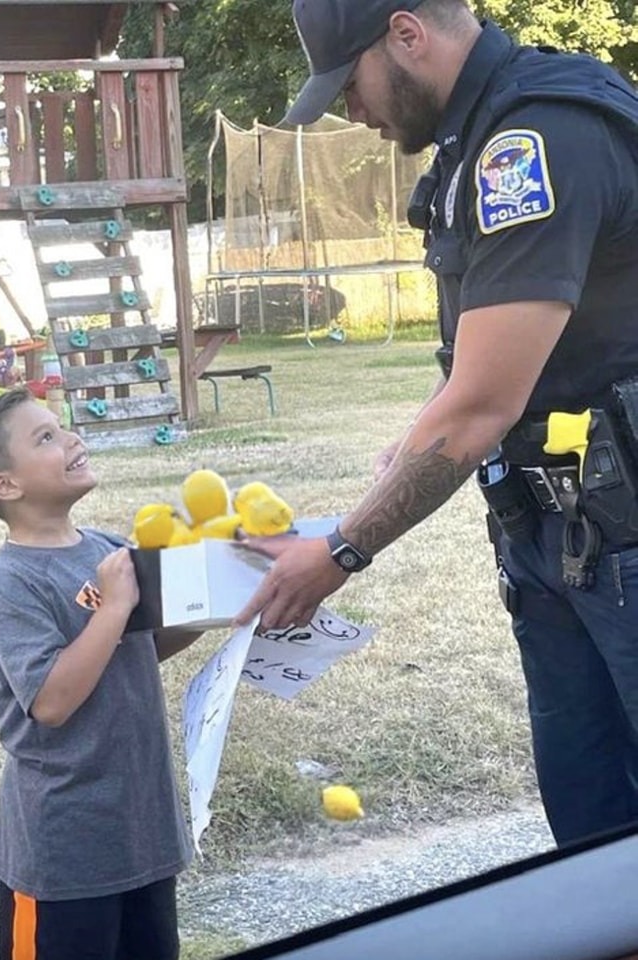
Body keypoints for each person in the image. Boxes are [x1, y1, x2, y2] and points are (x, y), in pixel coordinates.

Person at [237, 0, 638, 847]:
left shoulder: (539, 141)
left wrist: (341, 551)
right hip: (559, 534)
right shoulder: (475, 142)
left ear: (407, 35)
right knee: (593, 831)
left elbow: (480, 408)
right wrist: (411, 447)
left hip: (623, 538)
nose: (352, 110)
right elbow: (482, 374)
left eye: (350, 83)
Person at [0, 387, 201, 960]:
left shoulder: (107, 548)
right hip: (62, 854)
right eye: (46, 438)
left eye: (61, 427)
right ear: (5, 485)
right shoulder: (12, 584)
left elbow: (136, 651)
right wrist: (111, 608)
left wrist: (204, 616)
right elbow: (52, 702)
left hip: (142, 832)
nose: (71, 439)